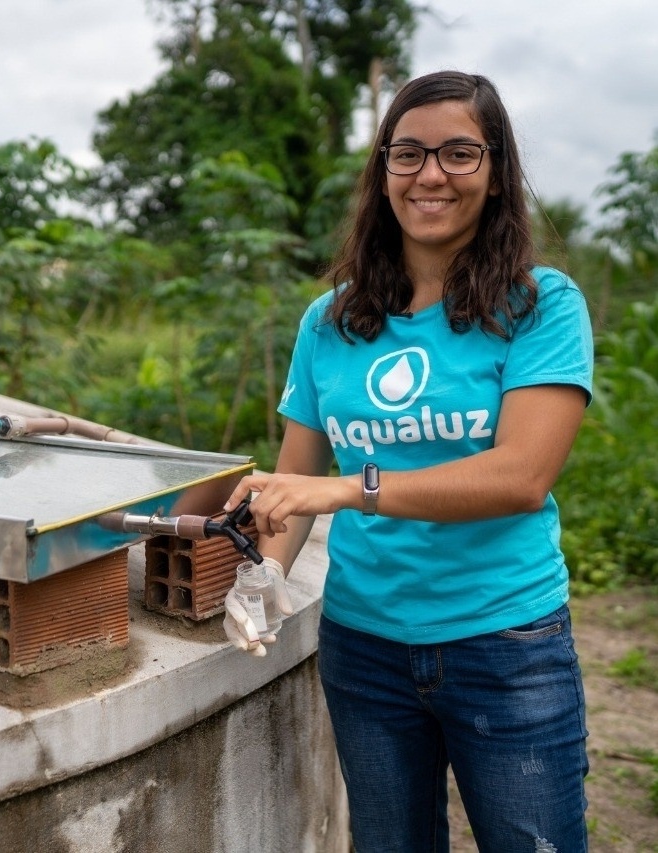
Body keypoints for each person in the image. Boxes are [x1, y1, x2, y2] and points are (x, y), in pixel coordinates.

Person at [222, 70, 593, 852]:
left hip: (506, 641)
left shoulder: (540, 305)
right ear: (383, 170)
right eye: (409, 153)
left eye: (460, 153)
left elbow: (521, 476)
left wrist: (348, 489)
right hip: (364, 648)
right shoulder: (331, 320)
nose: (431, 174)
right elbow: (292, 486)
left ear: (495, 173)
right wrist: (265, 575)